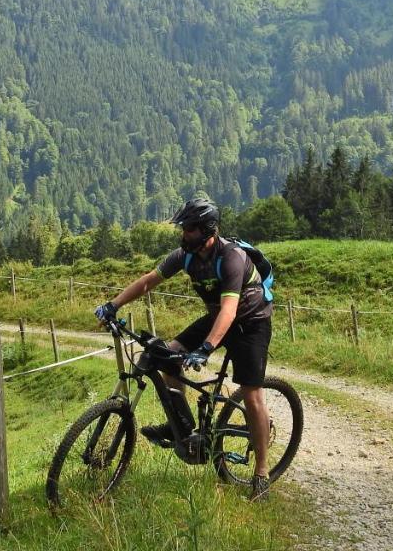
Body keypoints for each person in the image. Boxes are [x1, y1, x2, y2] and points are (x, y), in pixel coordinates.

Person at [95, 195, 274, 500]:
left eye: (189, 228)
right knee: (166, 356)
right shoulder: (185, 255)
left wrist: (205, 348)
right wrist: (113, 305)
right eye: (184, 227)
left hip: (250, 323)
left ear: (206, 229)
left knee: (252, 394)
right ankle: (182, 426)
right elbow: (148, 281)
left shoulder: (230, 257)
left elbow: (230, 310)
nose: (183, 233)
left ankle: (261, 473)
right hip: (217, 317)